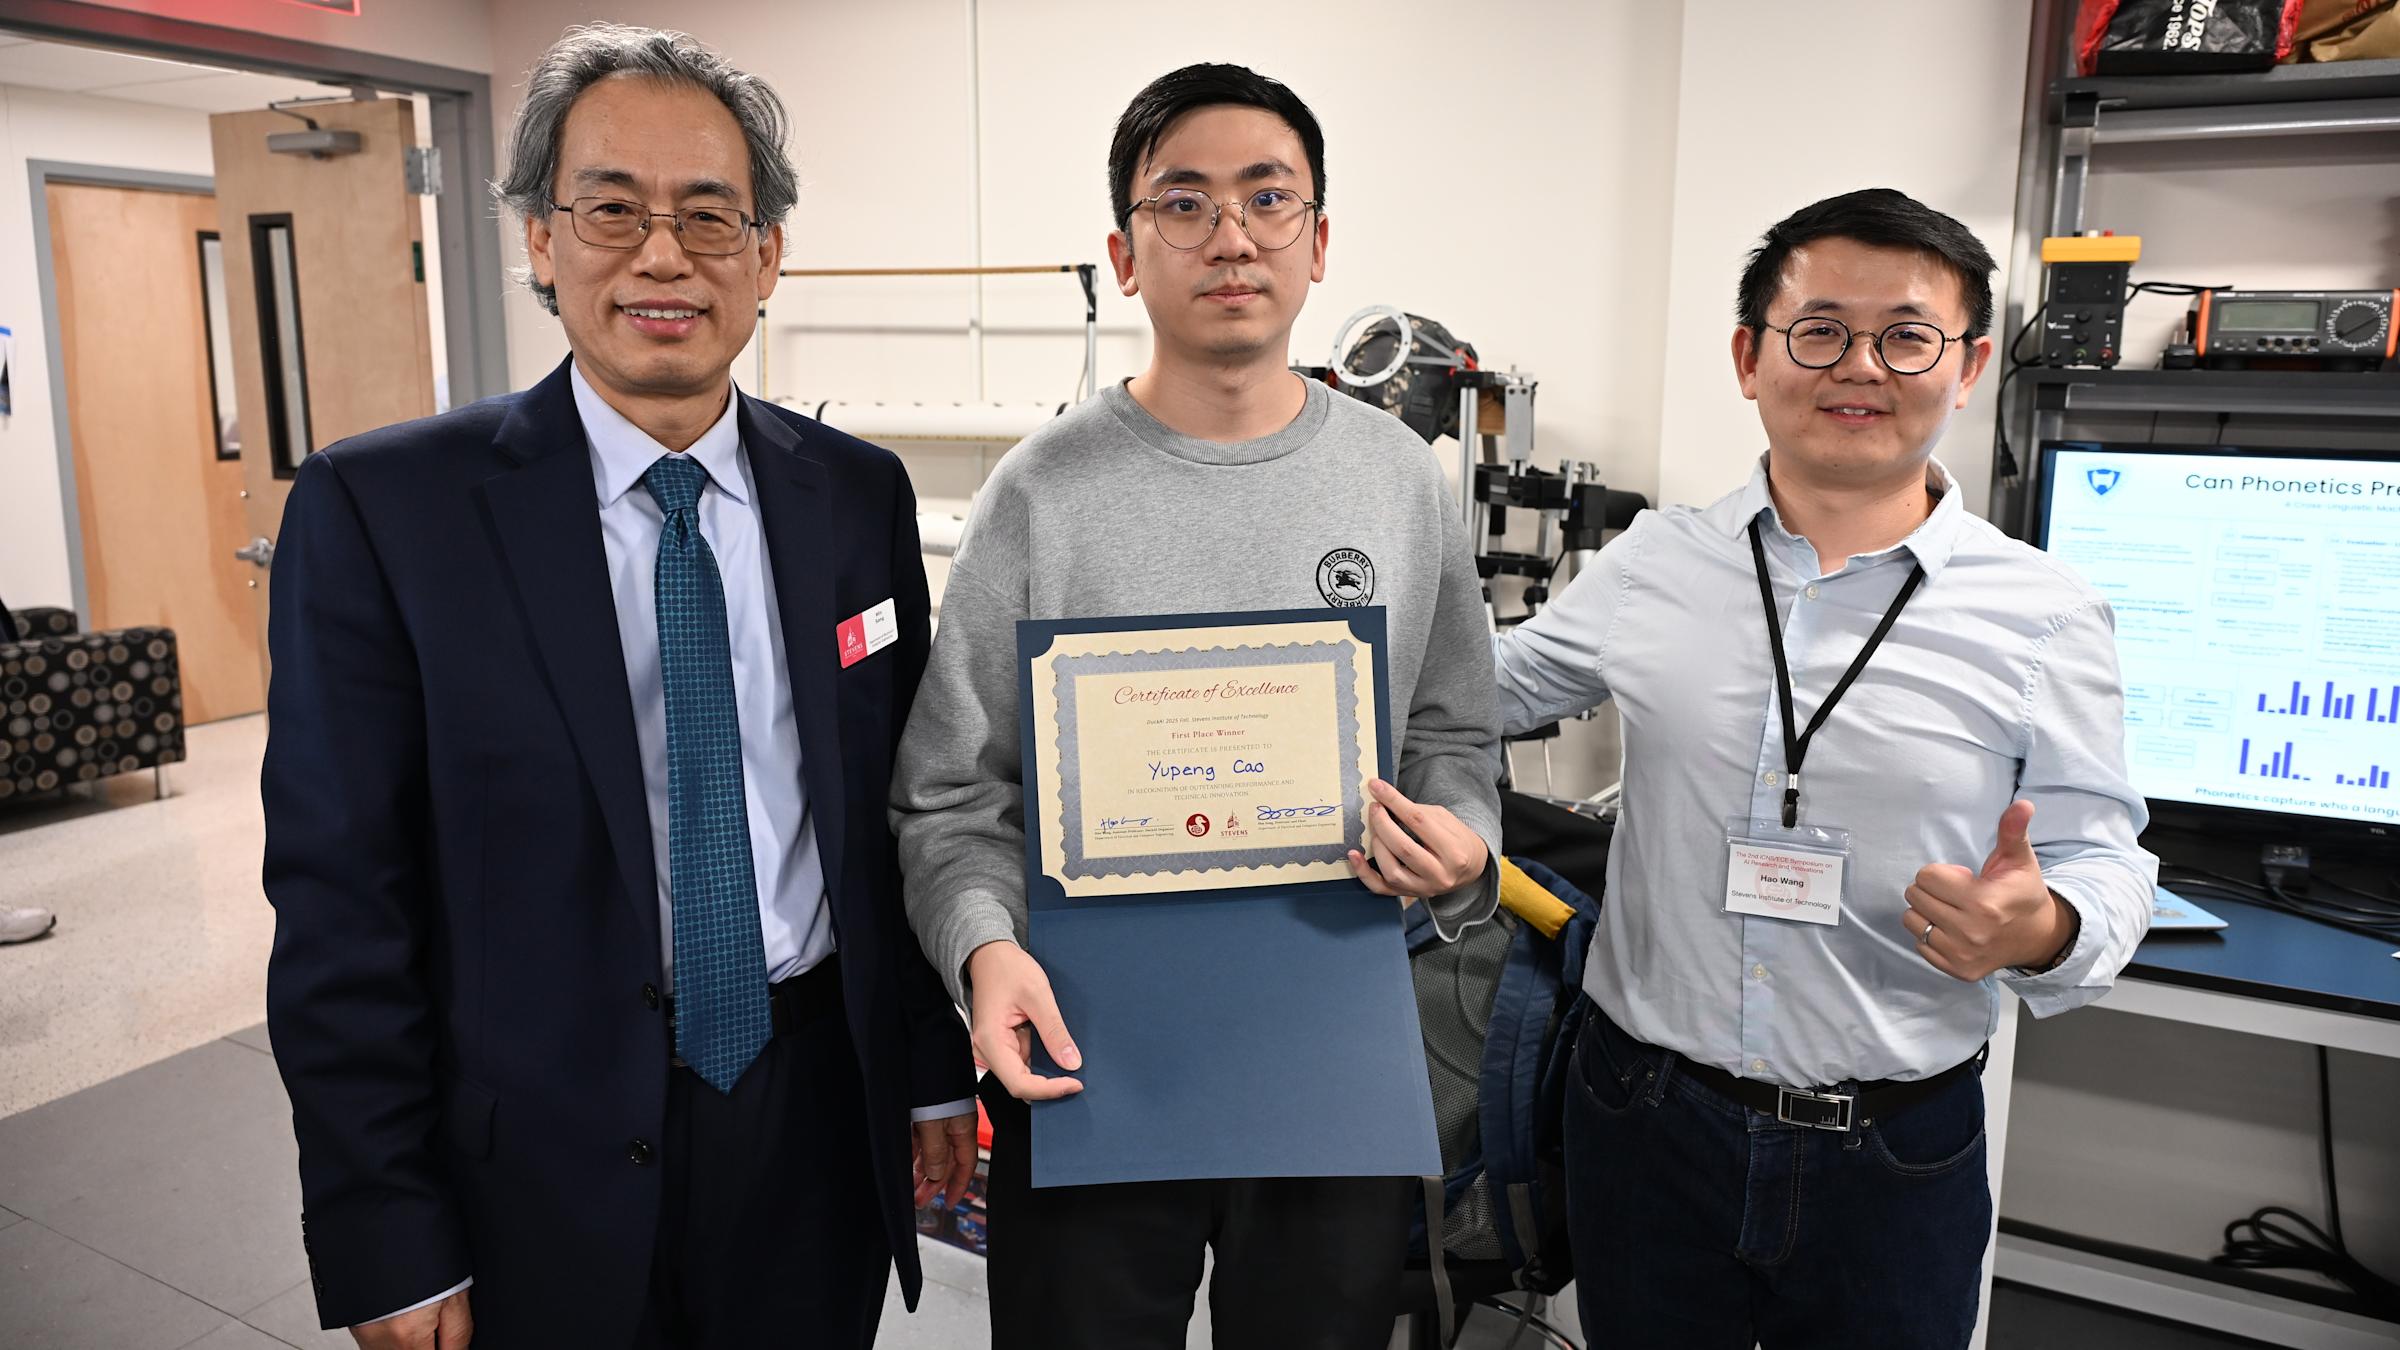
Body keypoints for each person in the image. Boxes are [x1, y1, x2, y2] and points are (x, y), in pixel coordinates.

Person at [261, 24, 972, 1349]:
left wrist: (930, 1076)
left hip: (812, 1110)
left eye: (712, 218)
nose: (663, 256)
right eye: (611, 209)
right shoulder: (385, 511)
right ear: (540, 237)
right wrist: (385, 1231)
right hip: (529, 1149)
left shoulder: (856, 496)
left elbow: (897, 815)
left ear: (767, 258)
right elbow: (339, 901)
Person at [891, 63, 1502, 1350]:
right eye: (1184, 202)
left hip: (1326, 1059)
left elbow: (1452, 732)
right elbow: (951, 791)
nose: (1231, 235)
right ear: (1125, 253)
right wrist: (984, 948)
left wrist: (1462, 842)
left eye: (1268, 198)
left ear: (1319, 240)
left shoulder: (1399, 481)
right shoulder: (1039, 496)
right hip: (1091, 1059)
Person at [1491, 188, 2156, 1350]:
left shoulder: (2042, 612)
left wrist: (2043, 926)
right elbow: (1485, 689)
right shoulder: (1658, 565)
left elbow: (2107, 858)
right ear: (1751, 357)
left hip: (1894, 1149)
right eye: (1819, 330)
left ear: (1969, 365)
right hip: (1643, 1117)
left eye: (1906, 335)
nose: (1860, 366)